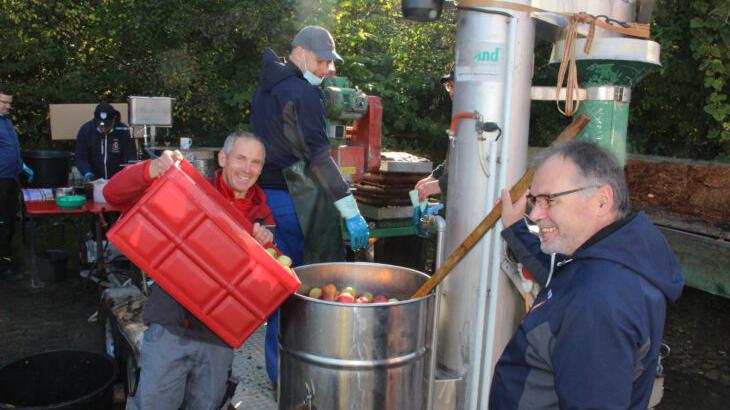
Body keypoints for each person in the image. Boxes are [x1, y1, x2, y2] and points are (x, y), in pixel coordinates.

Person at [490, 140, 685, 409]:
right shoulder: (607, 256)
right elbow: (559, 275)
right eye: (535, 200)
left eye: (549, 199)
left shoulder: (597, 301)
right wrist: (515, 228)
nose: (534, 214)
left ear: (602, 201)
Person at [104, 131, 275, 410]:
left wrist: (265, 249)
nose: (247, 168)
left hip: (218, 339)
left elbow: (265, 284)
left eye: (255, 162)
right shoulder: (189, 192)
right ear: (222, 158)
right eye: (240, 158)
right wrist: (152, 169)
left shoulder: (263, 217)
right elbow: (113, 195)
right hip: (171, 328)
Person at [250, 25, 369, 385]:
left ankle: (278, 373)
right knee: (302, 288)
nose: (326, 70)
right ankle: (303, 374)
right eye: (321, 61)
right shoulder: (300, 93)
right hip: (292, 202)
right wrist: (350, 209)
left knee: (280, 284)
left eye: (329, 63)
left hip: (267, 198)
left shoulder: (267, 86)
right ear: (299, 53)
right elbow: (318, 156)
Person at [0, 84, 32, 281]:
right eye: (3, 102)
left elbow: (12, 149)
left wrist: (22, 166)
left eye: (9, 103)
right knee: (2, 224)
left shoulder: (7, 122)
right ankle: (2, 268)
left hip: (11, 179)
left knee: (11, 222)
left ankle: (7, 261)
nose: (7, 106)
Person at [413, 68, 454, 202]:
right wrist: (435, 176)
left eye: (455, 86)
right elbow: (455, 159)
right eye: (450, 86)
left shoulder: (481, 119)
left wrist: (440, 184)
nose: (452, 92)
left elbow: (477, 170)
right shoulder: (462, 117)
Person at [75, 102, 137, 182]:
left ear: (114, 120)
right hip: (95, 179)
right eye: (100, 126)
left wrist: (125, 175)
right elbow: (80, 157)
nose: (103, 129)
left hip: (118, 179)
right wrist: (87, 173)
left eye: (107, 125)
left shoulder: (123, 131)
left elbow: (131, 158)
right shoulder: (86, 130)